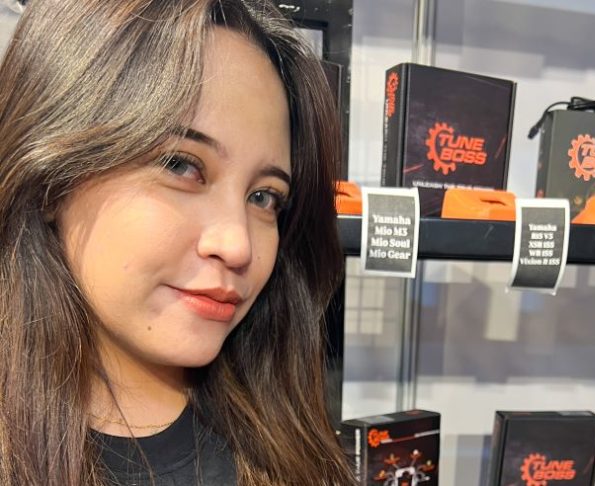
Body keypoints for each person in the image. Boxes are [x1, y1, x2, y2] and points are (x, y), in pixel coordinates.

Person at [0, 1, 354, 485]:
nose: (238, 246)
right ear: (49, 181)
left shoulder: (284, 434)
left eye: (264, 197)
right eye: (181, 165)